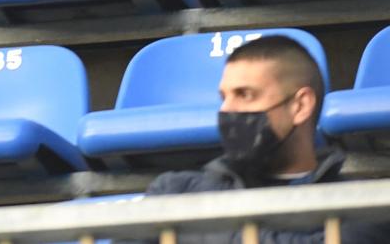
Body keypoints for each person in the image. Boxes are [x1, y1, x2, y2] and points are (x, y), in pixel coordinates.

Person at [139, 34, 390, 244]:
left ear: (300, 105)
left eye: (245, 95)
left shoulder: (362, 206)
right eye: (224, 97)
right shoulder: (175, 190)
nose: (227, 110)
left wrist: (194, 231)